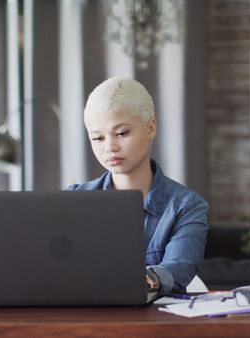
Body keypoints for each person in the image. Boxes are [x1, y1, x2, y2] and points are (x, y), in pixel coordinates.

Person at [65, 77, 209, 295]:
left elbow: (177, 271)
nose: (110, 147)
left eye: (122, 133)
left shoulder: (186, 207)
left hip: (155, 324)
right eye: (98, 138)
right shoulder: (72, 200)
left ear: (150, 127)